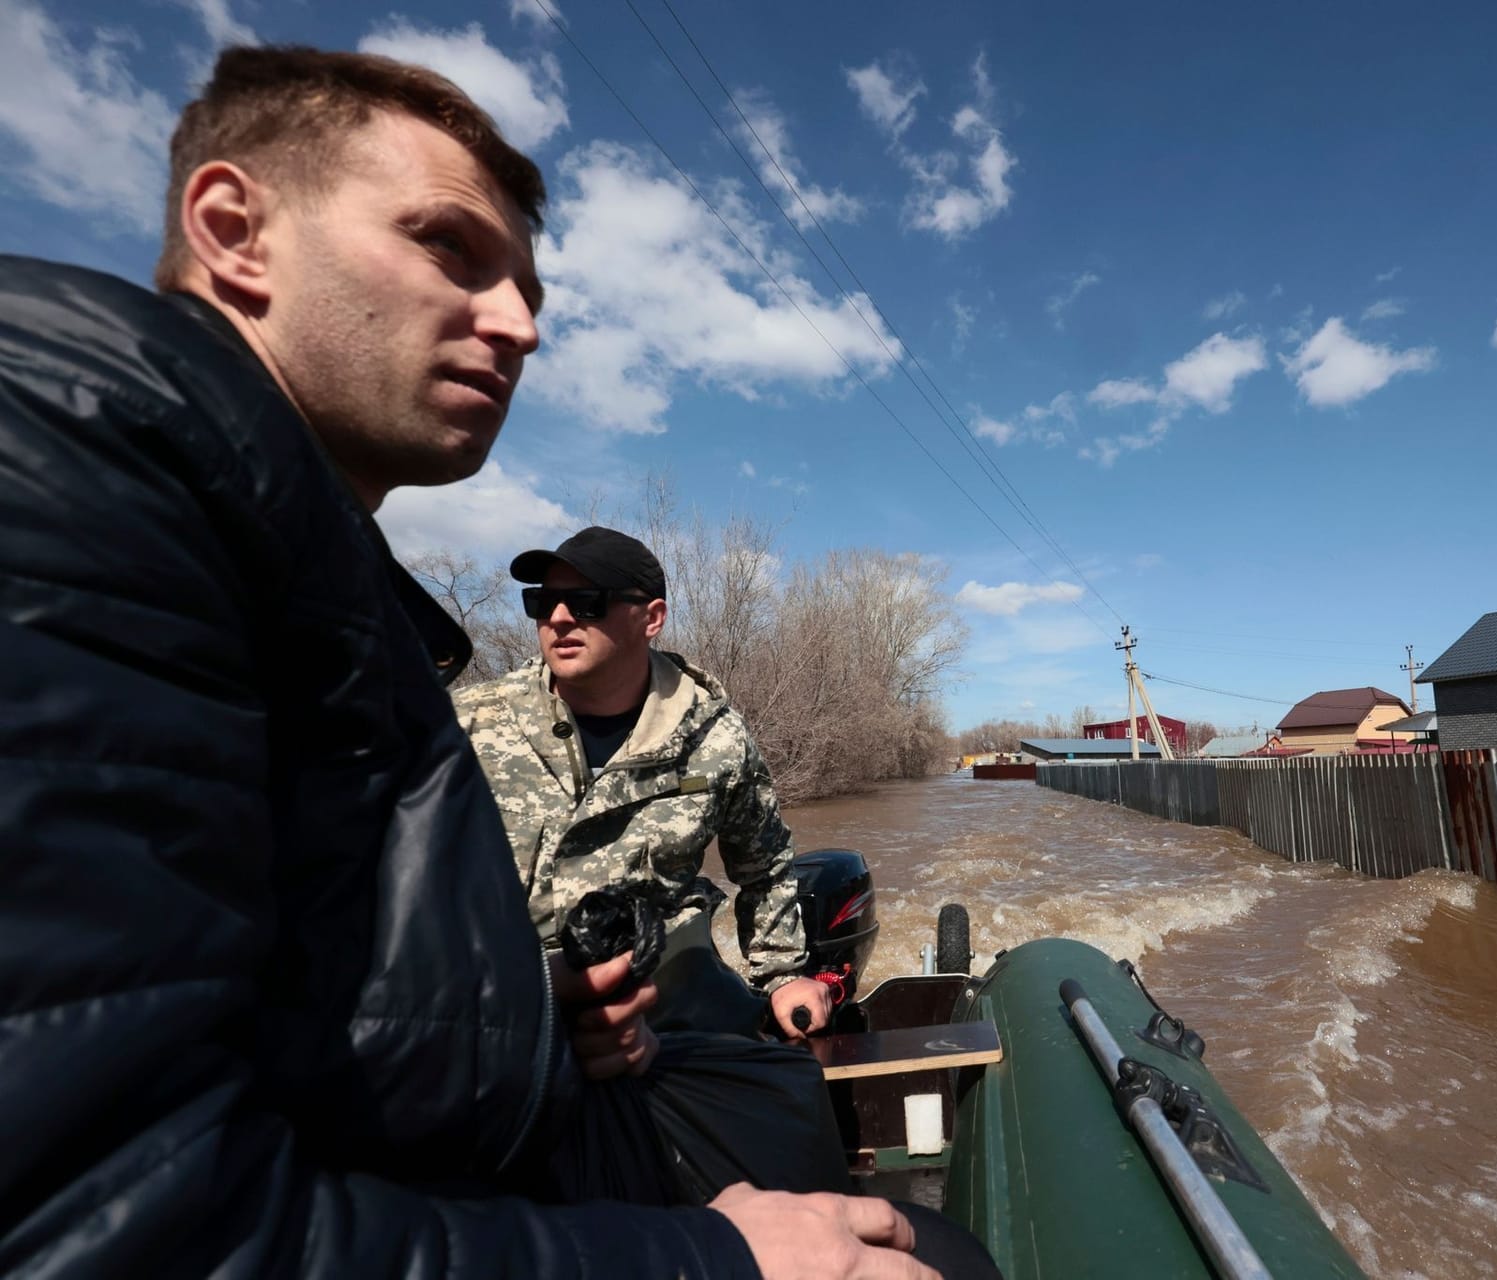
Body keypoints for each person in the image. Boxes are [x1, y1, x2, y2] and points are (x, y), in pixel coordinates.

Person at [0, 44, 935, 1280]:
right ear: (236, 230)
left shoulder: (322, 589)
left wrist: (539, 1006)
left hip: (575, 1058)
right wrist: (712, 1260)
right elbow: (103, 1215)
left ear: (647, 619)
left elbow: (302, 964)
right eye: (450, 245)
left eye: (528, 286)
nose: (521, 323)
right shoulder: (82, 477)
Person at [454, 526, 834, 1040]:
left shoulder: (715, 739)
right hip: (501, 994)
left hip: (660, 993)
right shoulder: (471, 724)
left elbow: (764, 868)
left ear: (651, 618)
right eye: (542, 602)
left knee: (777, 1097)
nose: (560, 618)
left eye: (588, 602)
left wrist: (782, 975)